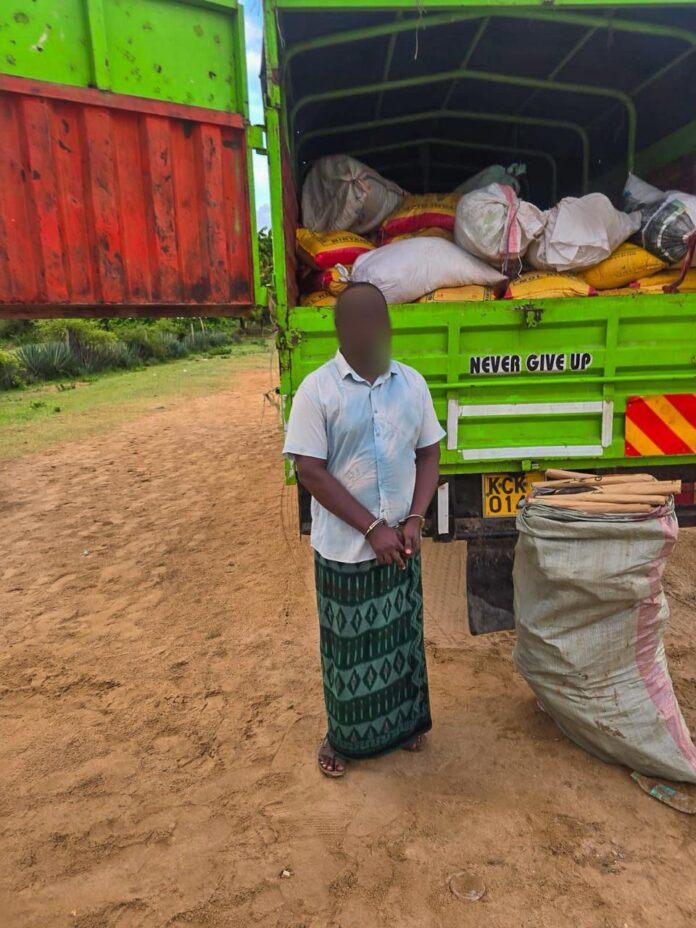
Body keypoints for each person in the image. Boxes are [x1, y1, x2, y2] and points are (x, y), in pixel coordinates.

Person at [282, 282, 445, 777]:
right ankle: (343, 740)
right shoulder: (317, 391)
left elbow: (429, 453)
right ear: (340, 328)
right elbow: (310, 471)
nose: (369, 328)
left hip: (401, 545)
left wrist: (414, 518)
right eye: (357, 319)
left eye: (377, 318)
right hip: (345, 551)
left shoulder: (412, 384)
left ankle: (404, 727)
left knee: (400, 641)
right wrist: (372, 528)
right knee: (348, 653)